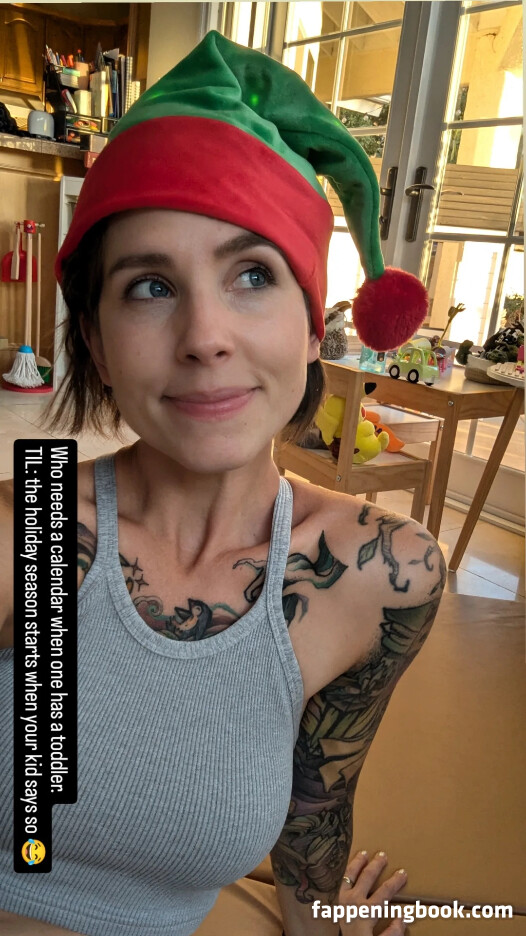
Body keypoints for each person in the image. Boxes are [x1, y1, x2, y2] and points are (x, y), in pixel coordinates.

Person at [0, 30, 445, 936]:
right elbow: (31, 835)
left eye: (252, 274)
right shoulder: (29, 527)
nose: (205, 336)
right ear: (95, 343)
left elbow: (313, 816)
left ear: (312, 328)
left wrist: (322, 923)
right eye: (149, 287)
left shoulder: (382, 574)